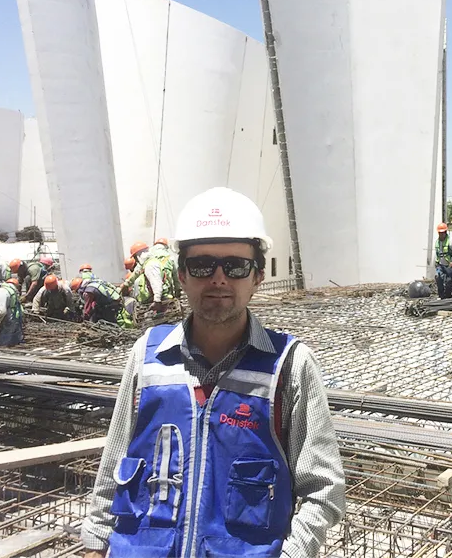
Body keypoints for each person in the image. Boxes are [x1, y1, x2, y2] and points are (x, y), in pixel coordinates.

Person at [81, 187, 345, 558]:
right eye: (203, 265)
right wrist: (95, 543)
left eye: (235, 267)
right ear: (182, 275)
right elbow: (113, 465)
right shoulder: (147, 356)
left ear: (257, 276)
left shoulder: (290, 366)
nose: (219, 279)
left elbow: (323, 491)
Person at [434, 222, 452, 299]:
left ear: (445, 232)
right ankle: (441, 295)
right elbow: (437, 253)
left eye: (442, 233)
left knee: (448, 281)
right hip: (440, 264)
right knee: (438, 277)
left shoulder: (451, 240)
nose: (441, 235)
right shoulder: (437, 242)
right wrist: (436, 262)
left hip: (449, 265)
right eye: (439, 233)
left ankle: (448, 296)